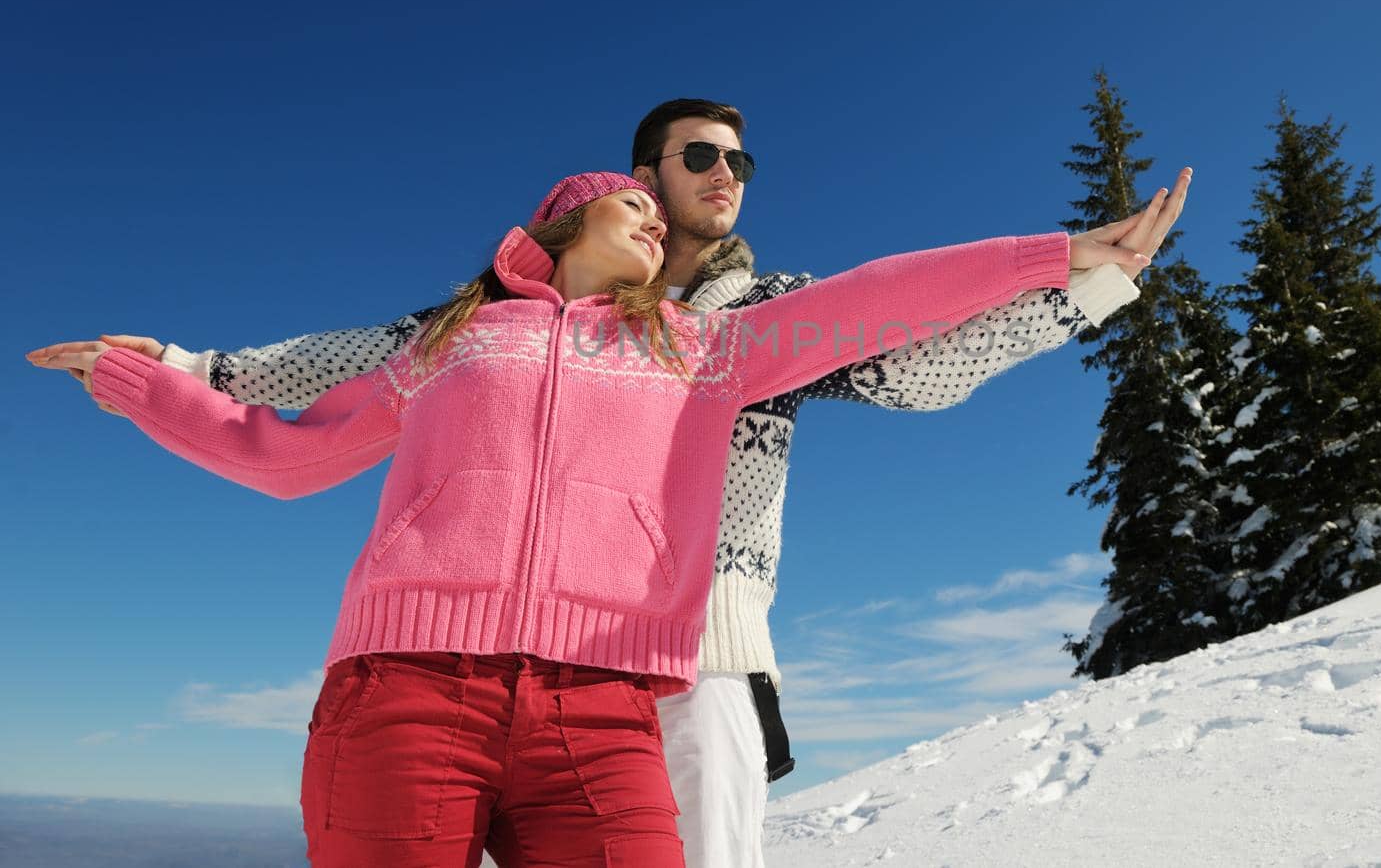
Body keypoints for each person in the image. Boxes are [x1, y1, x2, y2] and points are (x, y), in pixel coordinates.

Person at [30, 99, 1192, 867]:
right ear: (578, 211)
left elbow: (885, 305)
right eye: (661, 182)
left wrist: (1064, 264)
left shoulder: (721, 341)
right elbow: (293, 438)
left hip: (619, 689)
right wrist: (159, 377)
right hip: (408, 684)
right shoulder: (452, 336)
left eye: (737, 161)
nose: (707, 186)